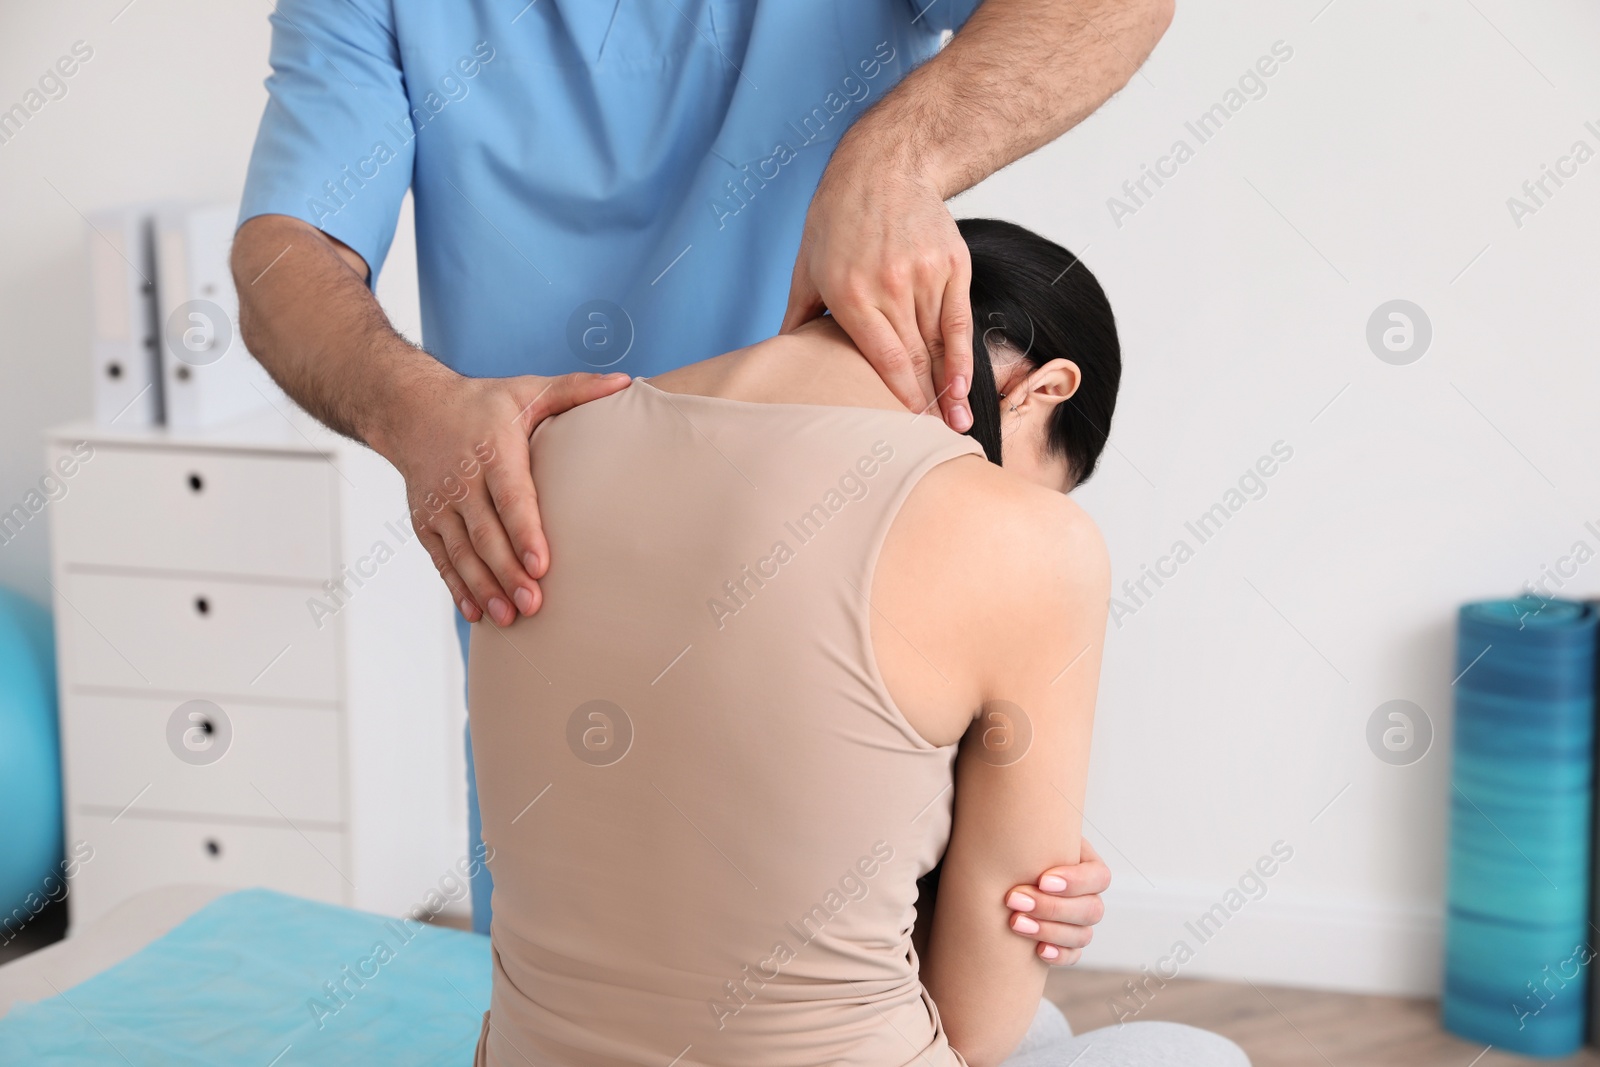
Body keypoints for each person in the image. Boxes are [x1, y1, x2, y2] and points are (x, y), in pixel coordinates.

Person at [231, 0, 1172, 942]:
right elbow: (285, 256)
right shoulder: (1013, 557)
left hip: (540, 570)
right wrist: (1014, 870)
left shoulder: (562, 523)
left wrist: (896, 157)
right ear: (1044, 388)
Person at [468, 219, 1248, 1066]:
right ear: (1043, 390)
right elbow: (977, 1031)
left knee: (1051, 1031)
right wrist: (995, 884)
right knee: (1192, 1053)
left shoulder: (541, 445)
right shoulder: (1033, 540)